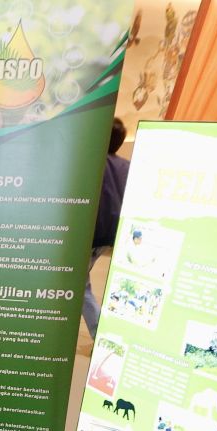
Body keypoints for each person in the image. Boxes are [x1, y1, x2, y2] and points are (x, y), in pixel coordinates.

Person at [84, 118, 130, 339]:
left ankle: (100, 335)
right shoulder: (126, 166)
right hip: (109, 236)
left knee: (80, 289)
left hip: (88, 235)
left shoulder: (90, 163)